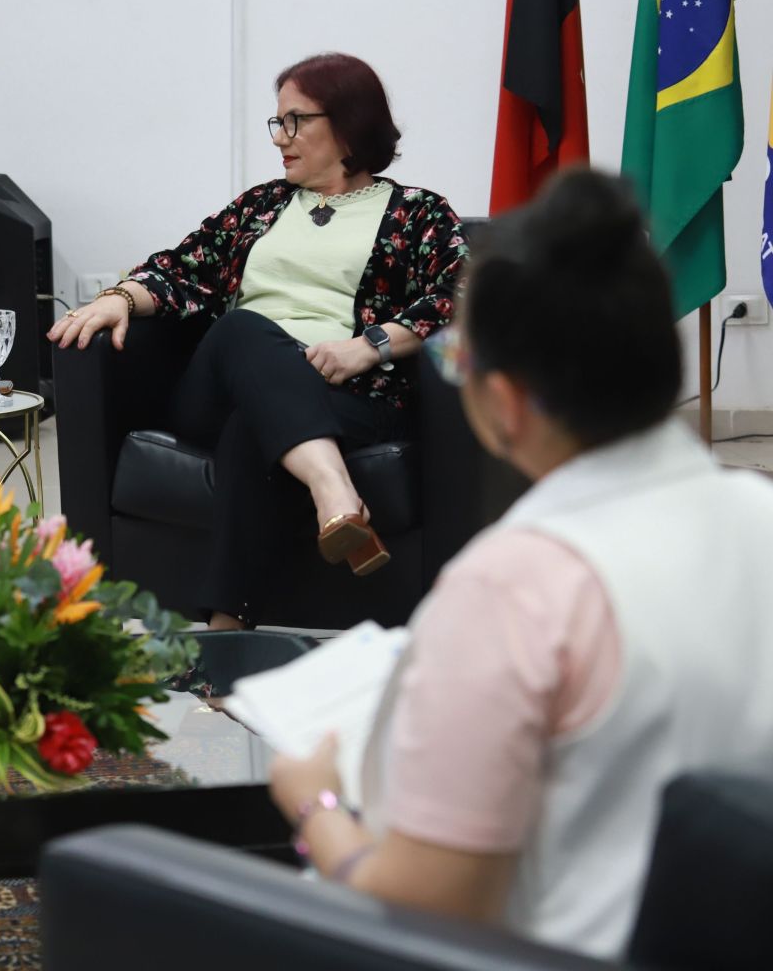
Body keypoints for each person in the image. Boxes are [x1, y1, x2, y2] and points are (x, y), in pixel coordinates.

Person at [268, 169, 773, 959]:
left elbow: (422, 910)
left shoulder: (514, 590)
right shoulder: (759, 513)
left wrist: (315, 804)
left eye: (456, 356)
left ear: (504, 402)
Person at [48, 53, 465, 629]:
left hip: (345, 395)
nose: (279, 138)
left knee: (254, 427)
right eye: (277, 121)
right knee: (243, 328)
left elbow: (457, 295)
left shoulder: (418, 214)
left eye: (295, 121)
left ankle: (226, 634)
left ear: (347, 125)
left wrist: (369, 345)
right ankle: (334, 492)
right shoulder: (261, 206)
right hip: (220, 387)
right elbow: (179, 269)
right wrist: (118, 298)